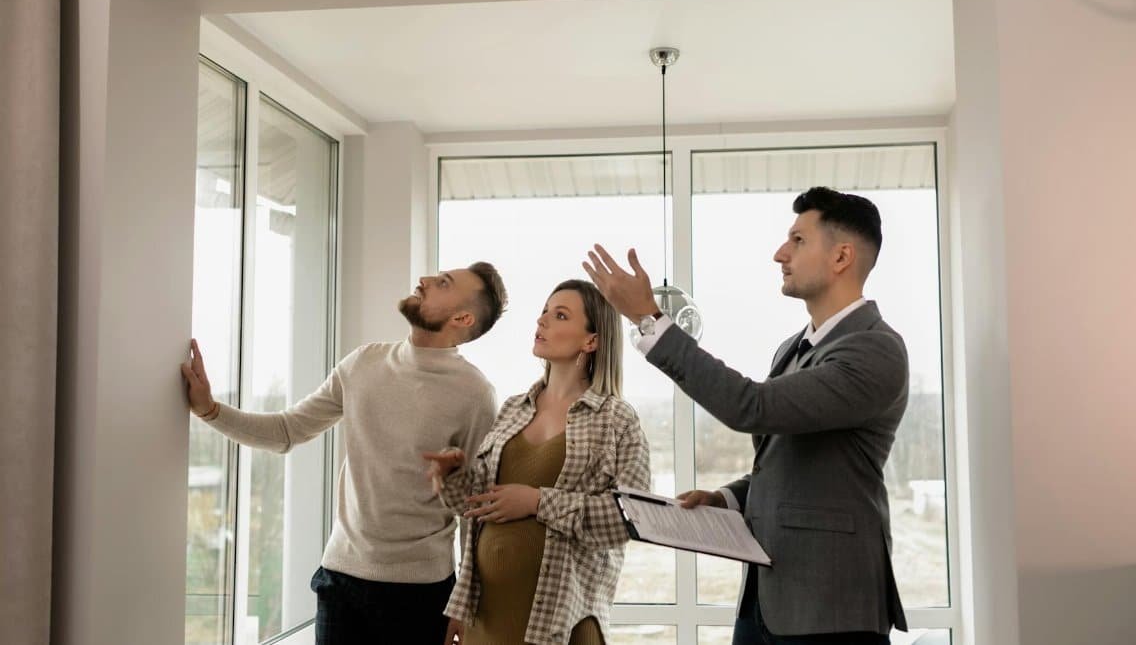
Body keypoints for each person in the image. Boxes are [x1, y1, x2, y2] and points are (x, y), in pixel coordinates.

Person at [583, 187, 910, 644]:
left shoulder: (875, 350)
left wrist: (651, 319)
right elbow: (797, 463)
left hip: (831, 607)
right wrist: (728, 499)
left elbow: (751, 406)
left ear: (841, 257)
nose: (781, 253)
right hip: (766, 599)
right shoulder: (792, 349)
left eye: (798, 240)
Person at [181, 263, 508, 645]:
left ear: (462, 317)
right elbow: (289, 430)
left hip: (422, 593)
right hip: (340, 580)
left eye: (442, 284)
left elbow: (474, 509)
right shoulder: (363, 363)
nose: (424, 280)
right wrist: (209, 410)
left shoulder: (475, 394)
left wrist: (464, 603)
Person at [424, 279, 650, 645]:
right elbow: (477, 505)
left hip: (563, 624)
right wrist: (452, 477)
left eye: (559, 315)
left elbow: (634, 518)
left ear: (591, 340)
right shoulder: (514, 407)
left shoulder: (617, 419)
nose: (542, 321)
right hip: (485, 619)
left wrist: (536, 502)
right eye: (544, 311)